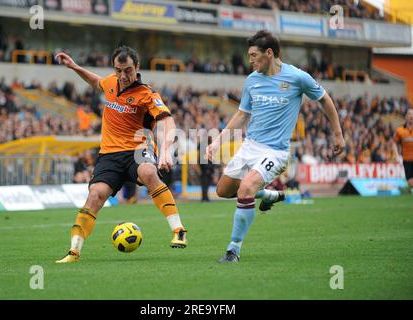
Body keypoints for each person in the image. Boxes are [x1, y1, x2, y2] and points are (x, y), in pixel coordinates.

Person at [206, 30, 345, 263]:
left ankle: (233, 249)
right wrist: (218, 141)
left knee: (246, 187)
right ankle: (268, 196)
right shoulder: (252, 80)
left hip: (275, 151)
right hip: (250, 146)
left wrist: (338, 134)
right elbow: (242, 115)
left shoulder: (298, 78)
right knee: (223, 191)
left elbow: (325, 99)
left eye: (253, 55)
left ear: (269, 53)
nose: (250, 60)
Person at [55, 46, 187, 263]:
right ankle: (74, 252)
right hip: (109, 154)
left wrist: (165, 151)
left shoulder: (147, 94)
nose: (123, 76)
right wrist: (75, 67)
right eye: (118, 70)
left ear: (137, 67)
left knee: (148, 171)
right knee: (95, 194)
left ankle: (179, 230)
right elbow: (97, 82)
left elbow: (167, 120)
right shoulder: (110, 83)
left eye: (127, 70)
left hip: (137, 148)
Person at [393, 108, 413, 189]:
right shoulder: (400, 130)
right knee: (410, 183)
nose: (411, 116)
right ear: (406, 116)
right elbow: (394, 142)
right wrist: (397, 155)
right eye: (409, 114)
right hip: (407, 160)